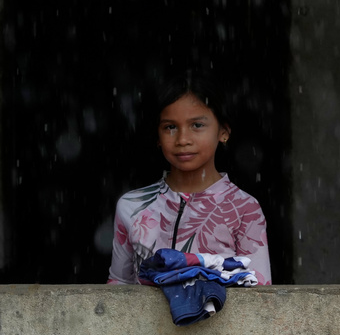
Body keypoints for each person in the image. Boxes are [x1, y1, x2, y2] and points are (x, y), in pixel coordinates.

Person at [107, 69, 271, 285]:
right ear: (157, 135)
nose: (183, 139)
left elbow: (260, 291)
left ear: (224, 131)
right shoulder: (132, 206)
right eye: (170, 127)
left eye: (197, 125)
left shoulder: (244, 209)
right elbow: (118, 285)